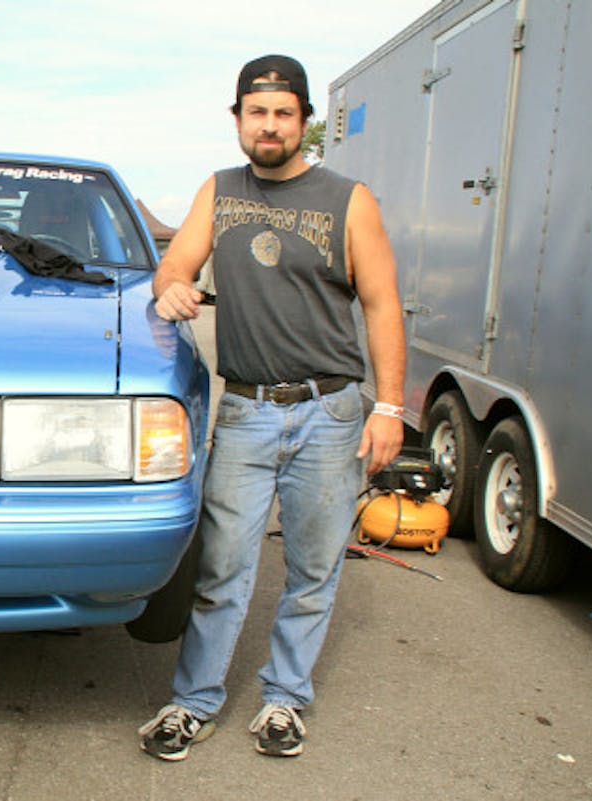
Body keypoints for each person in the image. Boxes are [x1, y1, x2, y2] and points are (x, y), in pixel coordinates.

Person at [139, 54, 405, 760]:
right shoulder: (219, 192)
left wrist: (392, 407)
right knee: (223, 567)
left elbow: (381, 306)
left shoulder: (350, 200)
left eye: (284, 113)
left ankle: (284, 699)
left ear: (304, 123)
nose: (269, 125)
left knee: (314, 570)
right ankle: (192, 703)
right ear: (237, 120)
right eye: (256, 112)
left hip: (332, 409)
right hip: (248, 413)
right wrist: (169, 284)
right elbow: (175, 264)